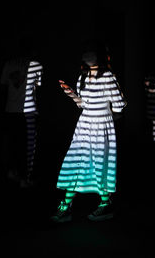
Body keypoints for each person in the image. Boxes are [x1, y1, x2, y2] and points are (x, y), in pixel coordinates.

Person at [50, 47, 127, 223]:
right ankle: (66, 205)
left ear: (99, 56)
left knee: (100, 164)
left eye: (91, 52)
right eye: (85, 52)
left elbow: (119, 105)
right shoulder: (82, 76)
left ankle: (105, 204)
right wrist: (72, 95)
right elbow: (83, 104)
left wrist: (110, 111)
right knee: (75, 162)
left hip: (101, 126)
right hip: (84, 125)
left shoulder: (107, 76)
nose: (87, 55)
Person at [0, 38, 43, 188]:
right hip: (28, 111)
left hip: (10, 110)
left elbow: (4, 87)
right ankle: (26, 178)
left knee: (13, 142)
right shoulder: (35, 65)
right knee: (29, 145)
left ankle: (13, 172)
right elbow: (38, 87)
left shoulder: (9, 64)